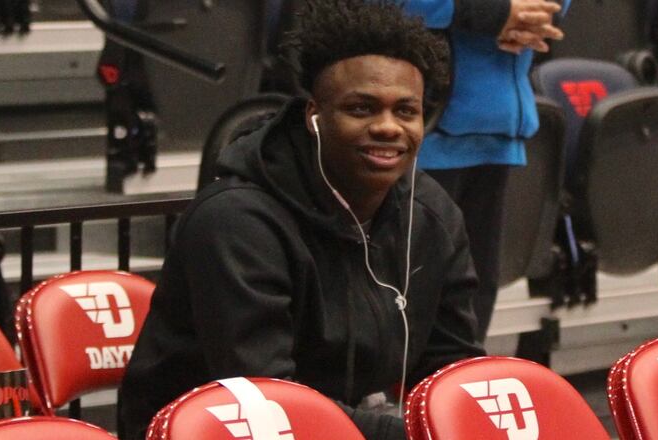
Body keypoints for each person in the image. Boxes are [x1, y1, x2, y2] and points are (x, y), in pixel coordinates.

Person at [117, 1, 483, 439]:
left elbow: (455, 367)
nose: (389, 127)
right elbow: (267, 399)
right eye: (362, 108)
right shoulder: (235, 223)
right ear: (314, 117)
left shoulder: (431, 214)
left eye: (406, 111)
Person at [400, 0, 569, 341]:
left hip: (497, 123)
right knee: (415, 303)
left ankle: (459, 393)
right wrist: (494, 13)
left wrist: (527, 15)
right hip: (427, 128)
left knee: (472, 306)